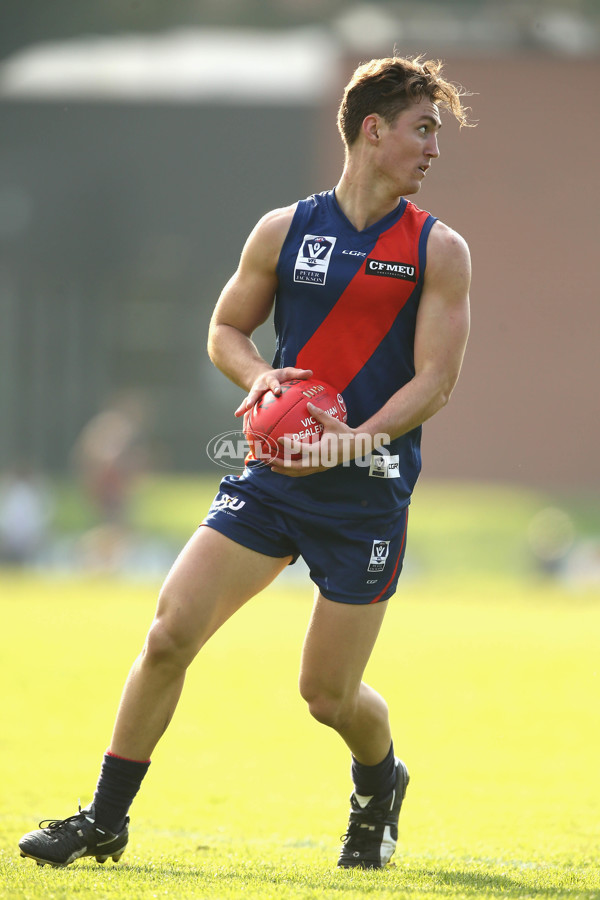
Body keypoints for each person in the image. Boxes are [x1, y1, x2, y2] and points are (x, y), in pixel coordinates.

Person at [18, 55, 472, 870]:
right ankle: (105, 819)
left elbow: (437, 381)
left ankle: (380, 779)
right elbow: (225, 331)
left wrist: (351, 439)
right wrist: (265, 379)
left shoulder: (440, 250)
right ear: (374, 130)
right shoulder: (283, 230)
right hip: (271, 479)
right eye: (423, 129)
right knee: (167, 635)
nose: (434, 149)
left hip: (365, 495)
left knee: (327, 698)